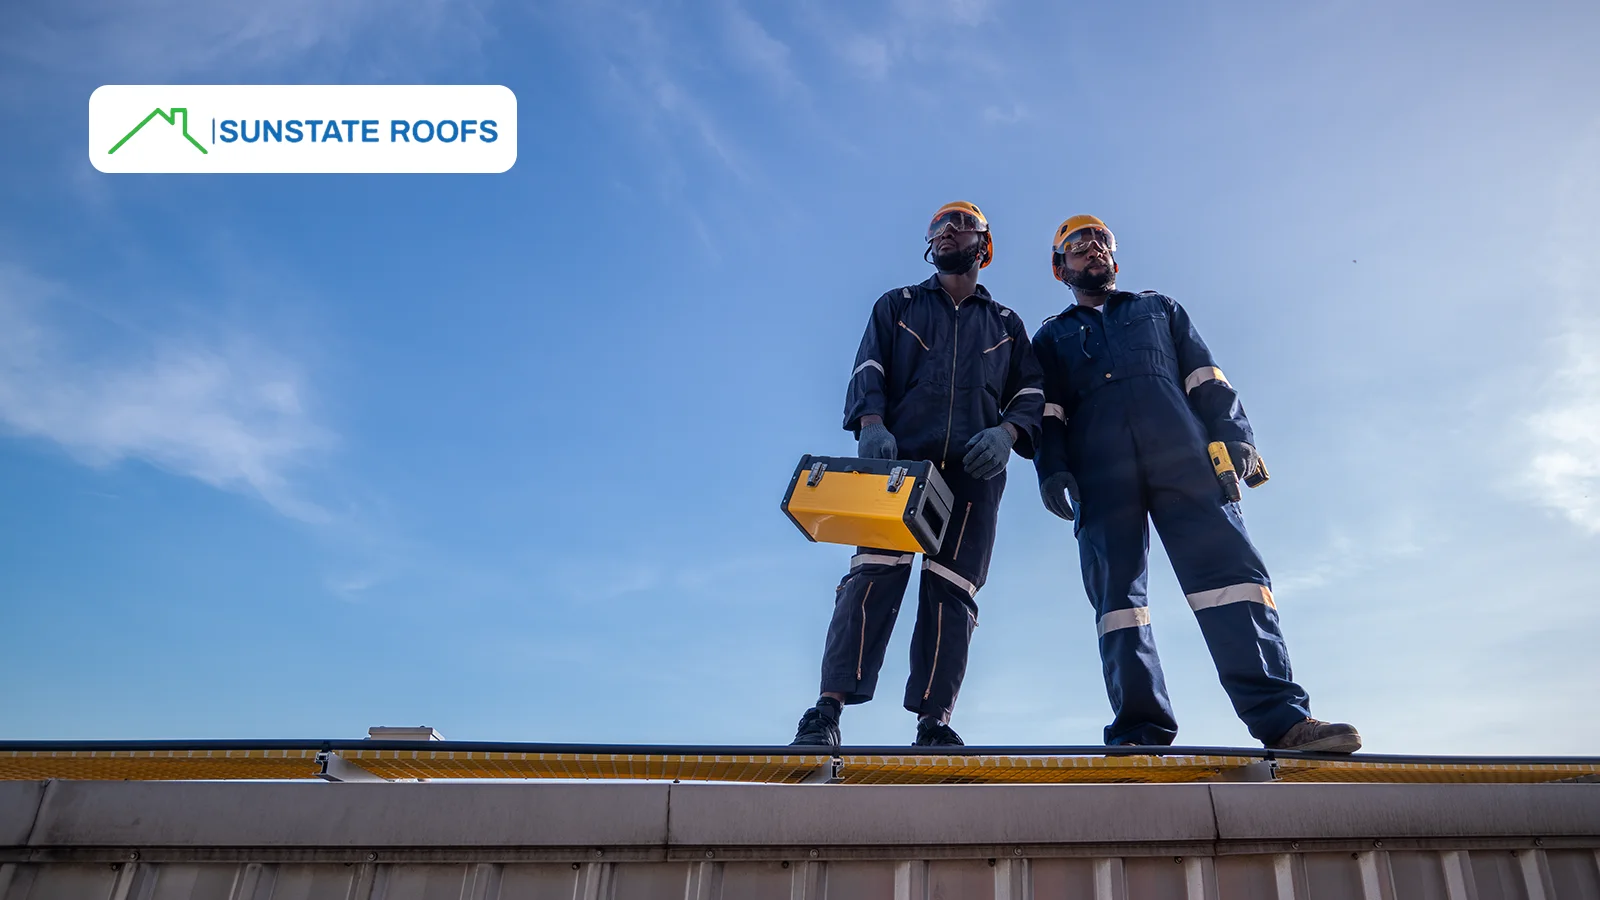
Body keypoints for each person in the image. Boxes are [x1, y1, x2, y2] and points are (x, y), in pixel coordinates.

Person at [1031, 214, 1360, 753]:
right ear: (1058, 267)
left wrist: (1235, 437)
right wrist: (1052, 467)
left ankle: (1284, 722)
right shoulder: (1052, 337)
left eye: (1102, 242)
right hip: (1101, 471)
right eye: (1077, 244)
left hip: (1184, 460)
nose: (1092, 249)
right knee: (1119, 602)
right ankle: (1141, 735)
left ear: (1114, 258)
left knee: (1233, 582)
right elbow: (1049, 413)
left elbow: (1206, 377)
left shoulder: (1157, 310)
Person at [789, 201, 1044, 748]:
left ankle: (934, 723)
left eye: (961, 225)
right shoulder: (898, 305)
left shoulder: (1006, 324)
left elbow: (1030, 393)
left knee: (953, 591)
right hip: (898, 467)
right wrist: (871, 424)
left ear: (986, 245)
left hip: (974, 475)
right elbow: (869, 365)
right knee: (872, 578)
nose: (948, 231)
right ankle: (826, 713)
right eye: (938, 227)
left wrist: (1008, 435)